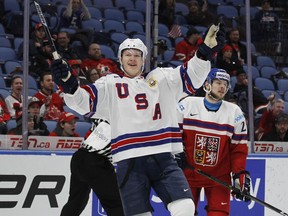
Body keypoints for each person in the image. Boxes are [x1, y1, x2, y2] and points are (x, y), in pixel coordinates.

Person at [51, 23, 226, 215]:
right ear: (120, 59)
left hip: (162, 158)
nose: (132, 59)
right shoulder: (109, 85)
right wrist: (69, 85)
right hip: (129, 162)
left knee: (185, 207)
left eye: (137, 55)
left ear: (143, 60)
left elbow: (191, 75)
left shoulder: (162, 78)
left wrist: (203, 53)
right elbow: (83, 102)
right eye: (128, 54)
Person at [177, 68, 251, 215]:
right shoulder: (187, 105)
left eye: (225, 84)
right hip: (188, 173)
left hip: (219, 176)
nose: (222, 87)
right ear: (207, 85)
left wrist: (238, 176)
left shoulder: (235, 112)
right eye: (218, 82)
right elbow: (173, 135)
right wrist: (177, 153)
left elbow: (239, 150)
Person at [60, 119, 124, 216]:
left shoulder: (105, 113)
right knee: (116, 204)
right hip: (95, 161)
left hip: (80, 156)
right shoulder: (125, 120)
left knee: (76, 202)